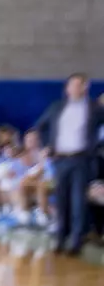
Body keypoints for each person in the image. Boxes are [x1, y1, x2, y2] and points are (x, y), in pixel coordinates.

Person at [33, 74, 97, 256]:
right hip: (60, 159)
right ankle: (60, 237)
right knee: (61, 199)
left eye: (80, 85)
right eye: (73, 85)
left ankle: (76, 240)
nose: (76, 88)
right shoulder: (57, 107)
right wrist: (47, 146)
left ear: (86, 88)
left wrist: (95, 148)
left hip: (81, 158)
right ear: (67, 88)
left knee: (78, 200)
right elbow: (41, 126)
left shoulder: (94, 108)